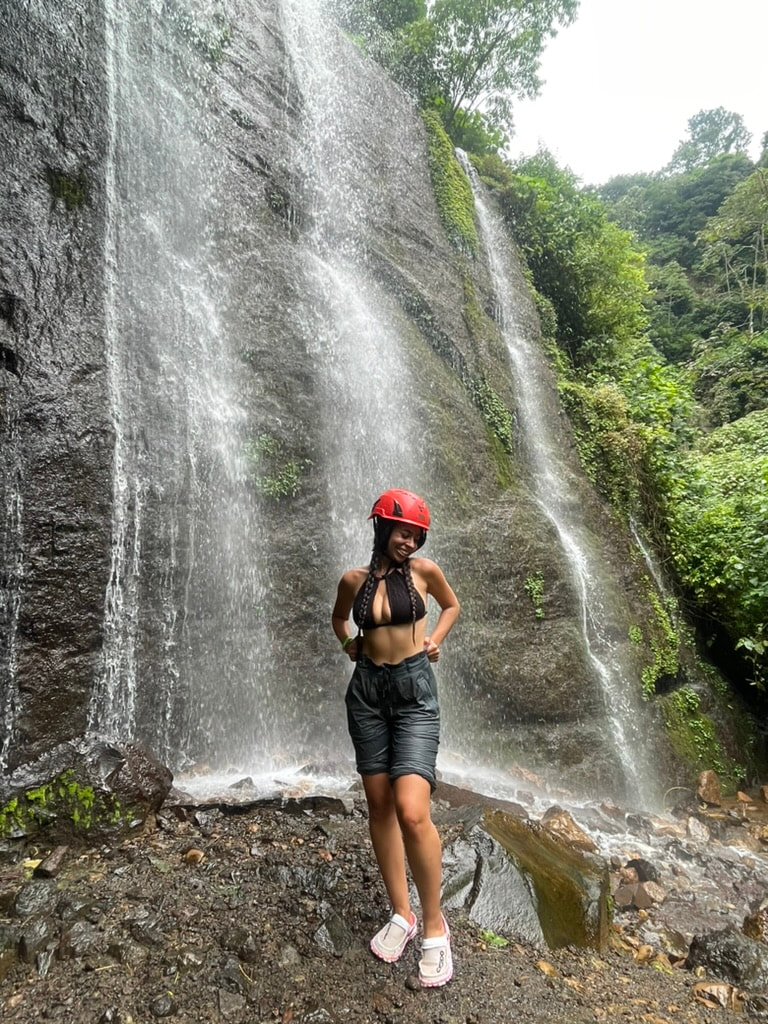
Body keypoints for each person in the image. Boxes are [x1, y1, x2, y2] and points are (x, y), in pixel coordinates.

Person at [331, 488, 460, 987]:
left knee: (412, 809)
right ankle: (401, 914)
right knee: (380, 806)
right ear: (382, 529)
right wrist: (349, 644)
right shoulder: (353, 581)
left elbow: (451, 606)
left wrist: (435, 640)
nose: (409, 540)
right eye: (402, 531)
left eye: (416, 534)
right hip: (366, 694)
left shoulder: (425, 574)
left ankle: (434, 927)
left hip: (413, 695)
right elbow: (338, 618)